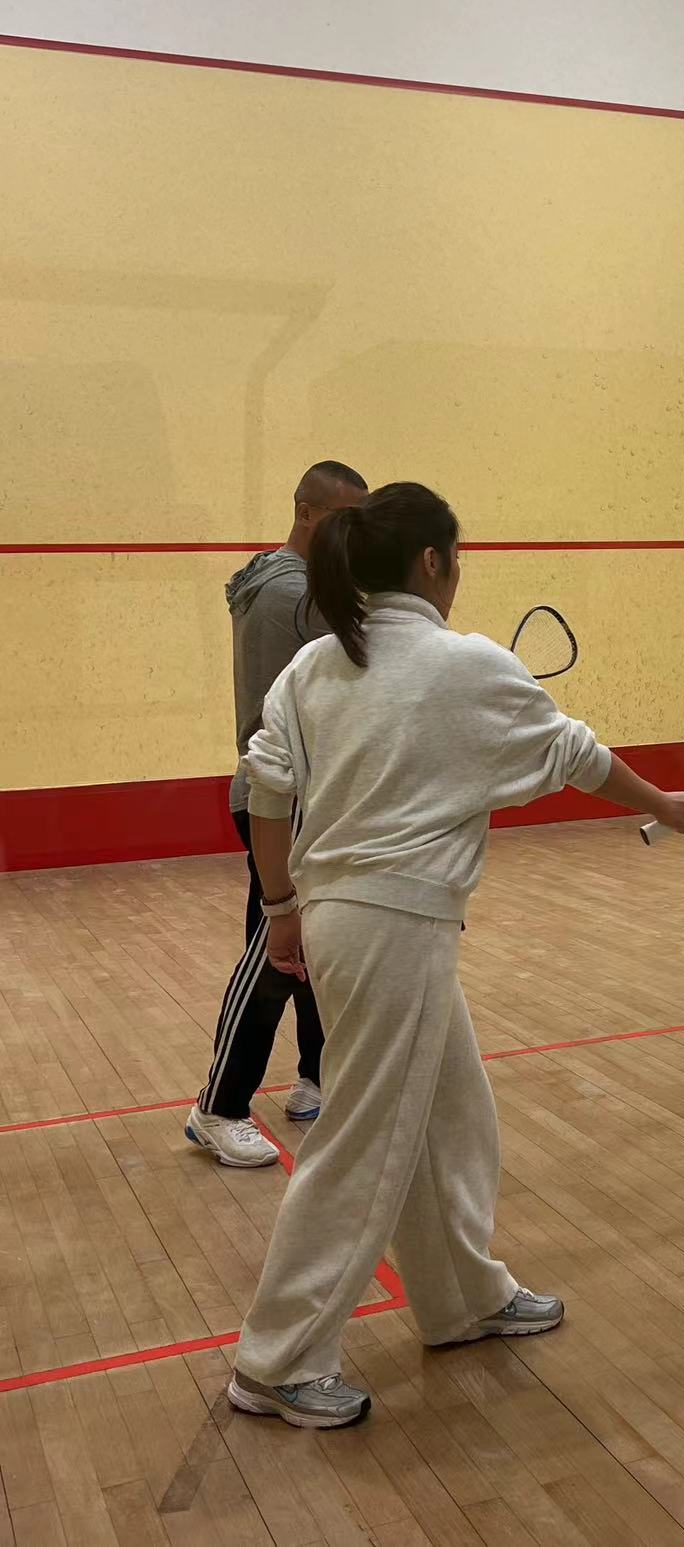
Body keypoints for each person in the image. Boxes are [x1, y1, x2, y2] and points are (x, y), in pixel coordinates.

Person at [226, 482, 684, 1428]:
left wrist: (279, 907)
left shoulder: (315, 664)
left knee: (451, 1114)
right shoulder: (465, 662)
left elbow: (267, 786)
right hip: (396, 926)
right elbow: (575, 753)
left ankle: (461, 1299)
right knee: (363, 1139)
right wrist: (666, 804)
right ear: (432, 562)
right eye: (458, 559)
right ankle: (276, 1359)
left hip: (338, 920)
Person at [186, 460, 370, 1168]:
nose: (356, 535)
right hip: (283, 799)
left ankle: (315, 1078)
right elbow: (374, 660)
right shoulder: (298, 595)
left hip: (299, 796)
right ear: (307, 512)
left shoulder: (275, 578)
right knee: (277, 949)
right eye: (346, 519)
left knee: (311, 944)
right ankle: (220, 1106)